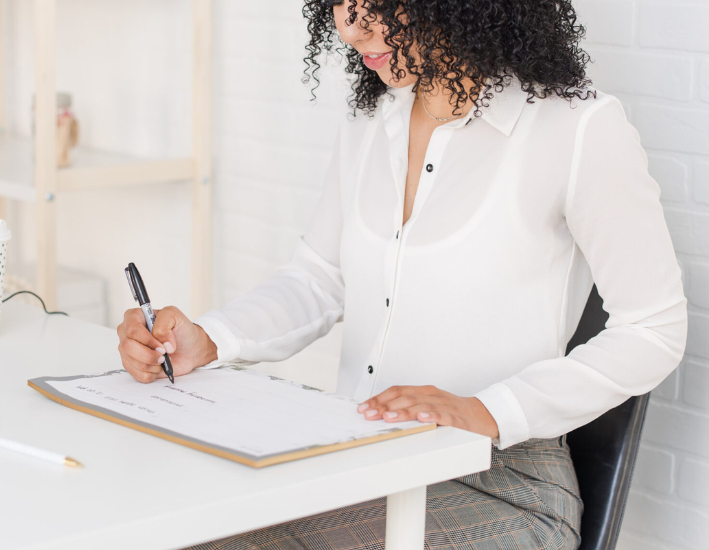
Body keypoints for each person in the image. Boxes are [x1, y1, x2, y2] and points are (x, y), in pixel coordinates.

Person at [117, 1, 688, 548]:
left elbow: (654, 329)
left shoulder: (577, 128)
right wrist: (210, 338)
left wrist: (485, 410)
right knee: (178, 525)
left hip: (501, 487)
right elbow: (319, 278)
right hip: (360, 459)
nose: (349, 25)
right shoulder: (372, 118)